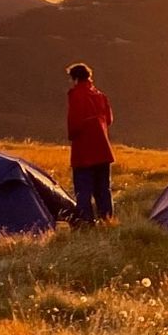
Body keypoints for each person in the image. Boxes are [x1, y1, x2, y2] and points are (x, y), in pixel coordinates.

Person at [65, 62, 116, 225]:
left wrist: (73, 135)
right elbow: (109, 120)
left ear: (74, 78)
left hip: (84, 152)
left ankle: (86, 222)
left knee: (83, 190)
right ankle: (107, 220)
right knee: (103, 189)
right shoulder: (100, 95)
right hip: (103, 149)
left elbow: (74, 126)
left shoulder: (76, 96)